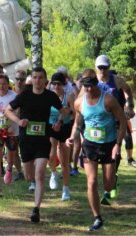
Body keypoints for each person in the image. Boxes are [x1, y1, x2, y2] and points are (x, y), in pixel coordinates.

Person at [66, 69, 126, 231]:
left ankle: (113, 181)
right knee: (91, 182)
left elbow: (122, 121)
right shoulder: (79, 103)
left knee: (108, 186)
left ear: (97, 83)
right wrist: (73, 136)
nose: (90, 89)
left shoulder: (108, 100)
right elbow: (77, 125)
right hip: (90, 145)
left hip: (108, 145)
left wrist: (118, 145)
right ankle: (97, 218)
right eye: (86, 87)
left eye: (92, 85)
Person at [5, 67, 66, 223]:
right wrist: (19, 121)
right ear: (31, 79)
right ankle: (32, 187)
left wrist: (59, 122)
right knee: (29, 176)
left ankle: (36, 210)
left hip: (42, 141)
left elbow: (64, 111)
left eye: (40, 78)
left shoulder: (50, 96)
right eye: (34, 77)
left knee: (39, 175)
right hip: (26, 141)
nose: (37, 80)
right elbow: (7, 110)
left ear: (45, 80)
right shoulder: (24, 95)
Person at [93, 55, 135, 198]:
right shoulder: (93, 81)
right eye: (100, 68)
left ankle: (113, 176)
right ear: (96, 67)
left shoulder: (116, 80)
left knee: (115, 150)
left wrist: (129, 105)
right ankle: (104, 177)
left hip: (115, 118)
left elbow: (128, 91)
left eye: (105, 68)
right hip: (99, 120)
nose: (103, 71)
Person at [0, 0, 30, 71]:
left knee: (14, 57)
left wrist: (22, 22)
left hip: (11, 32)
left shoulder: (12, 2)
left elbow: (23, 16)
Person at [47, 72, 75, 201]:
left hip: (65, 128)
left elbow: (74, 113)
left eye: (59, 83)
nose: (56, 86)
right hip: (51, 127)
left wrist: (64, 120)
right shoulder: (48, 97)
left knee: (64, 161)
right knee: (51, 154)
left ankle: (65, 189)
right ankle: (53, 172)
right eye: (54, 83)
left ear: (63, 84)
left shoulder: (68, 97)